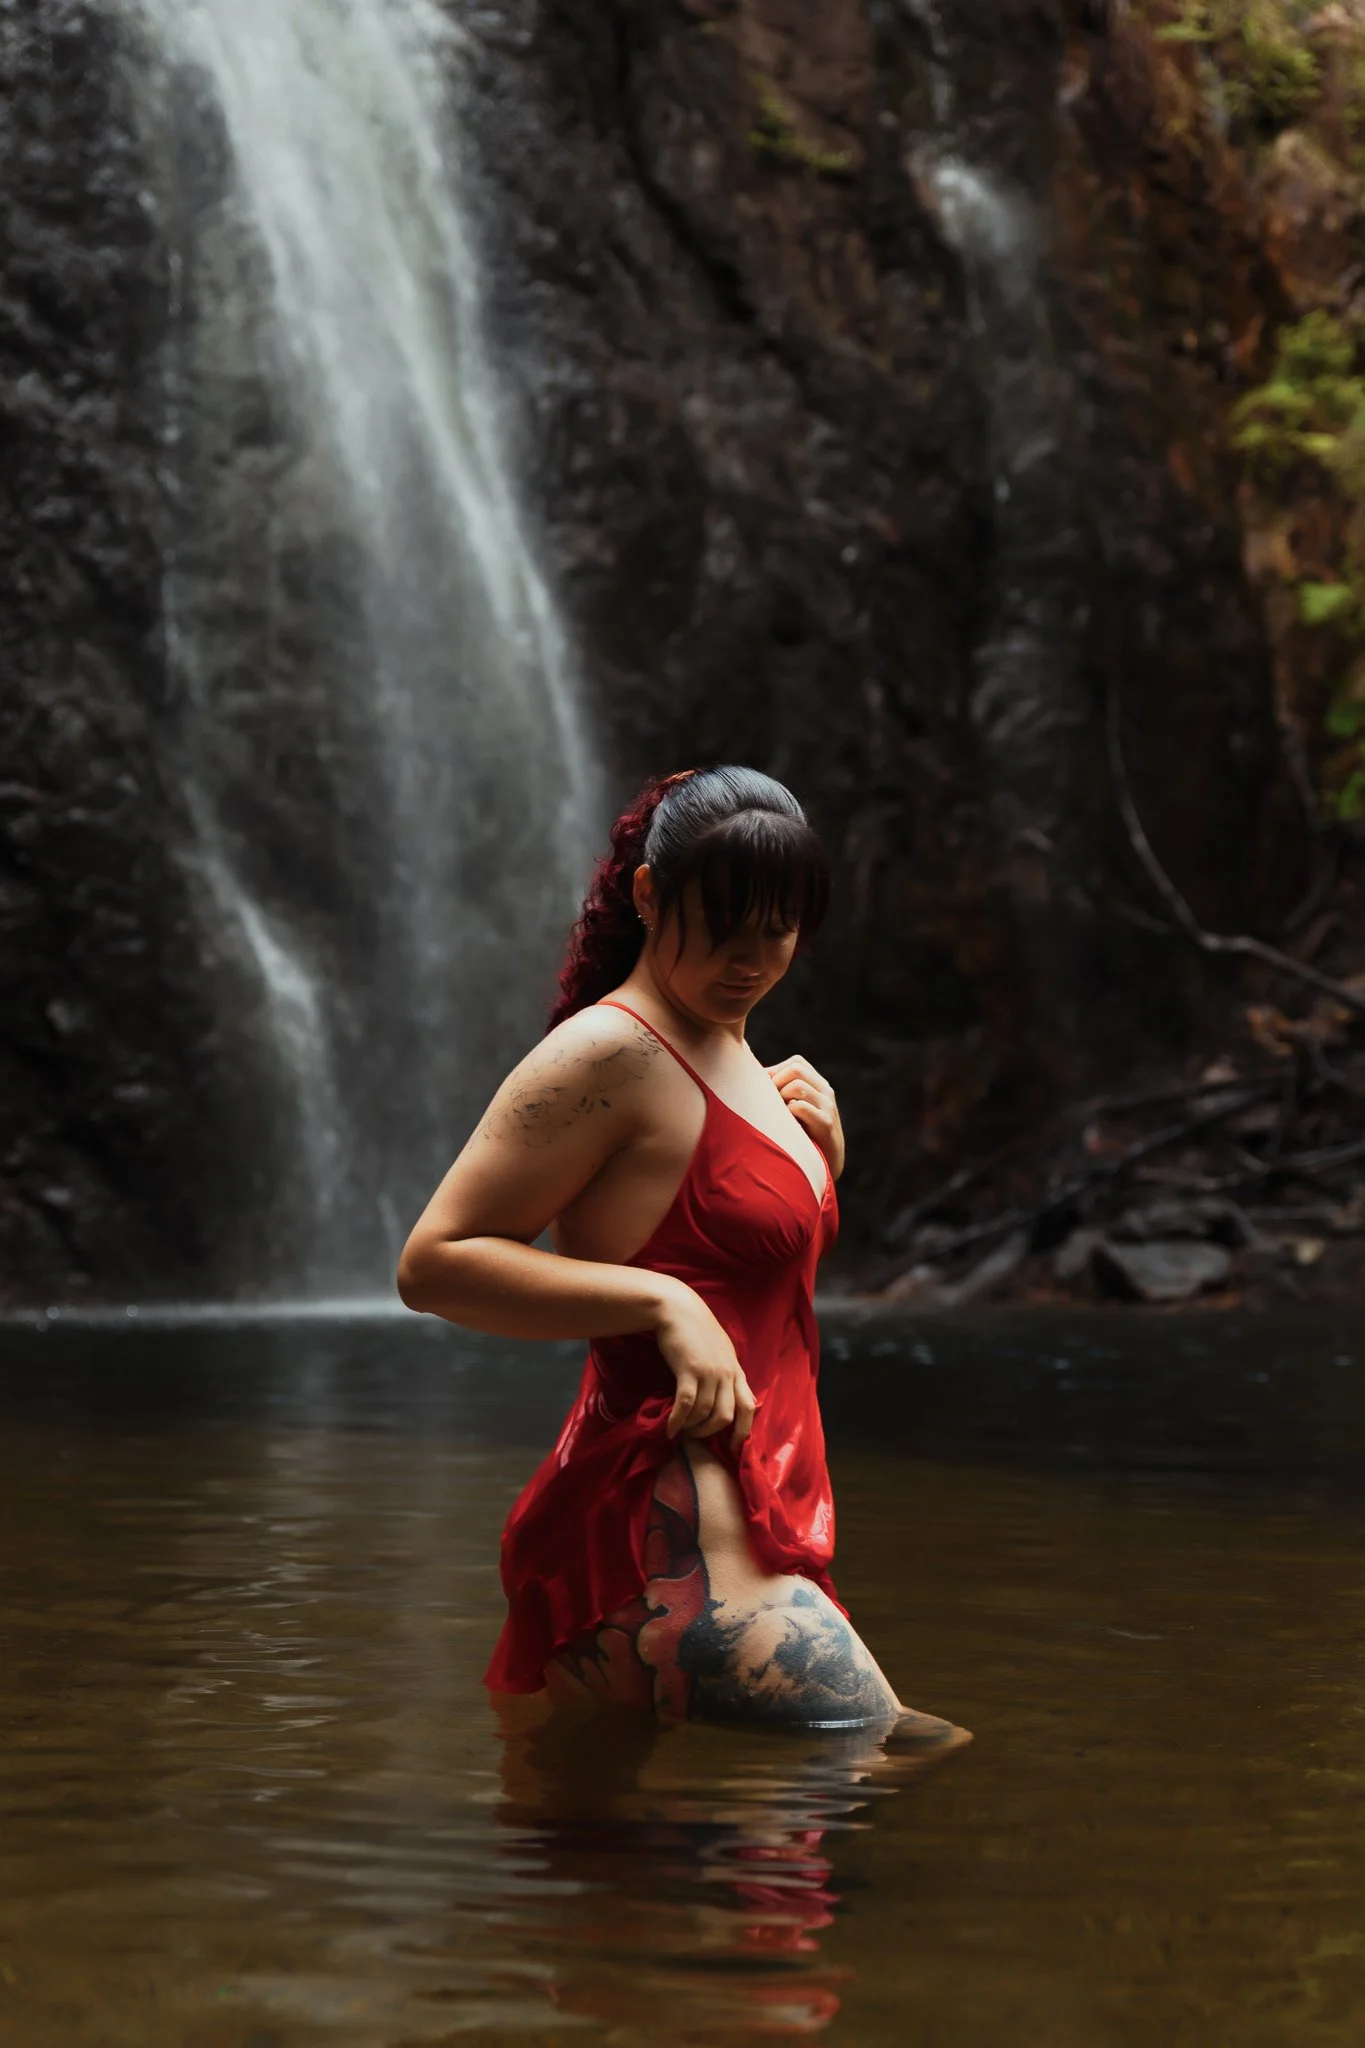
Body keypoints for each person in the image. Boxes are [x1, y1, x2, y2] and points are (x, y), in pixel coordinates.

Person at [398, 765, 967, 1742]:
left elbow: (740, 1270)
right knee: (883, 1754)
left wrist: (823, 1160)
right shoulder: (610, 1053)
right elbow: (435, 1261)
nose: (750, 958)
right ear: (650, 896)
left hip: (756, 1507)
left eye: (777, 931)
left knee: (625, 1863)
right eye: (724, 928)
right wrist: (663, 1302)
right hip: (656, 1522)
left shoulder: (739, 1051)